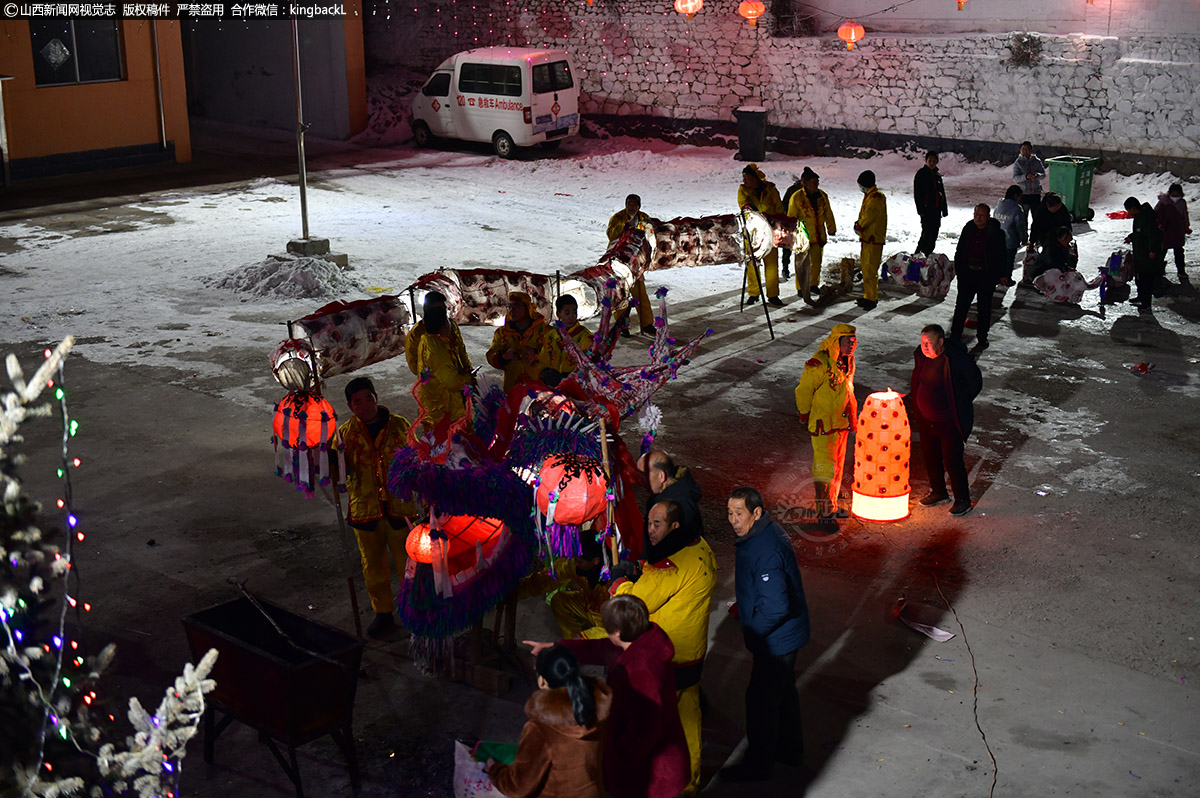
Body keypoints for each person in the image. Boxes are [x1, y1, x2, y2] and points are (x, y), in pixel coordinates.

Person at [552, 500, 716, 795]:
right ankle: (690, 783)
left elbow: (639, 601)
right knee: (688, 719)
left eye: (657, 525)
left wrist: (619, 581)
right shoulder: (700, 547)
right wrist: (640, 567)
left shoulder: (673, 566)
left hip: (671, 652)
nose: (650, 531)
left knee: (652, 723)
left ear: (675, 526)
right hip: (693, 650)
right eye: (649, 523)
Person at [526, 596, 691, 798]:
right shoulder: (645, 640)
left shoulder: (639, 672)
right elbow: (602, 648)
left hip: (650, 773)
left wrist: (616, 759)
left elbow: (644, 730)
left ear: (618, 632)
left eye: (607, 628)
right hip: (658, 760)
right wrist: (555, 647)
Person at [722, 487, 809, 783]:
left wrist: (753, 634)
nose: (733, 520)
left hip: (776, 641)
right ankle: (789, 751)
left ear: (756, 513)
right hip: (785, 637)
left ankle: (758, 767)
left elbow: (776, 606)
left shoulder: (765, 550)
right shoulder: (762, 535)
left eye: (739, 514)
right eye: (730, 513)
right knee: (783, 694)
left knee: (761, 702)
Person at [337, 377, 419, 637]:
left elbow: (416, 461)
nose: (365, 405)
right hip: (365, 510)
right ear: (351, 406)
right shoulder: (344, 434)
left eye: (368, 398)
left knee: (410, 565)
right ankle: (383, 612)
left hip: (399, 507)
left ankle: (415, 610)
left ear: (376, 397)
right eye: (357, 401)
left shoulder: (400, 426)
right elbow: (337, 472)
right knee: (373, 567)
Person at [485, 645, 612, 798]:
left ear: (542, 681)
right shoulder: (595, 709)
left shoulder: (541, 729)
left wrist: (494, 769)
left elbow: (518, 787)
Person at [910, 324, 982, 518]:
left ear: (941, 342)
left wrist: (960, 402)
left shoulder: (957, 360)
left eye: (929, 343)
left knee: (952, 460)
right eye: (922, 342)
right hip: (926, 420)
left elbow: (975, 382)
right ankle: (939, 492)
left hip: (949, 422)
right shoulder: (921, 356)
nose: (924, 347)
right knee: (931, 457)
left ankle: (962, 500)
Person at [794, 324, 857, 522]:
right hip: (824, 425)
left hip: (840, 423)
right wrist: (804, 414)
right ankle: (824, 512)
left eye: (854, 341)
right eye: (848, 341)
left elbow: (848, 390)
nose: (852, 345)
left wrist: (853, 418)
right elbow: (803, 391)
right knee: (825, 467)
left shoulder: (849, 361)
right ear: (837, 341)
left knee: (837, 465)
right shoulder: (819, 363)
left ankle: (831, 505)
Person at [405, 291, 473, 430]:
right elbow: (415, 367)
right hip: (435, 395)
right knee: (439, 438)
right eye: (435, 310)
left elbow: (461, 350)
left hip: (457, 389)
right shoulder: (418, 335)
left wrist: (468, 372)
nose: (440, 313)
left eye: (442, 309)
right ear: (425, 310)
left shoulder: (450, 325)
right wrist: (435, 372)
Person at [950, 203, 1008, 353]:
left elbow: (1002, 256)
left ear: (988, 217)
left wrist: (1001, 274)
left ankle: (982, 337)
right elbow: (960, 250)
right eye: (976, 215)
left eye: (981, 215)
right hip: (967, 274)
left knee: (984, 308)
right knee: (961, 306)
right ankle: (955, 335)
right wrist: (960, 270)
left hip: (985, 275)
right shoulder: (969, 229)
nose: (978, 218)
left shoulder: (996, 233)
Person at [641, 450, 704, 563]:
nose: (639, 480)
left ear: (661, 476)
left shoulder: (670, 506)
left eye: (643, 474)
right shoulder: (681, 493)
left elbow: (661, 552)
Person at [607, 194, 656, 335]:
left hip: (636, 261)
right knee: (621, 292)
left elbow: (650, 235)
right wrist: (624, 227)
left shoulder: (644, 218)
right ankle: (622, 325)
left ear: (639, 207)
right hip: (620, 260)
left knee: (640, 293)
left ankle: (647, 324)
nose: (631, 207)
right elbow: (610, 234)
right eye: (629, 204)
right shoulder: (617, 218)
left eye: (634, 205)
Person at [738, 163, 785, 307]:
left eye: (747, 177)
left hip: (770, 232)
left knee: (771, 266)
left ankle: (773, 294)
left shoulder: (771, 190)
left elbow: (779, 208)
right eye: (743, 177)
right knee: (753, 264)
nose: (745, 180)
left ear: (755, 178)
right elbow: (743, 207)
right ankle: (754, 293)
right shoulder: (743, 191)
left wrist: (778, 222)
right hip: (753, 234)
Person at [786, 167, 837, 299]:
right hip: (802, 235)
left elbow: (828, 213)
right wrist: (791, 235)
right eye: (814, 182)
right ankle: (801, 287)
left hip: (818, 234)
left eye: (817, 182)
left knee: (816, 261)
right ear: (805, 183)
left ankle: (813, 284)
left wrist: (831, 228)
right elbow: (791, 218)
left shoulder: (822, 196)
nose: (817, 185)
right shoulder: (796, 197)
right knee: (802, 263)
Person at [486, 291, 551, 391]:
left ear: (528, 308)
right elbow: (491, 356)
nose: (512, 310)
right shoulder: (502, 333)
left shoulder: (545, 331)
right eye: (509, 307)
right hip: (512, 390)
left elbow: (556, 355)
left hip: (540, 389)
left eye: (517, 306)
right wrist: (505, 355)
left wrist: (536, 354)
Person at [540, 294, 594, 387]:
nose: (572, 317)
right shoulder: (551, 335)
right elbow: (543, 359)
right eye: (567, 313)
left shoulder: (584, 336)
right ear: (558, 314)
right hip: (553, 380)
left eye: (574, 312)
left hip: (575, 381)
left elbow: (590, 360)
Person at [853, 170, 887, 310]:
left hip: (873, 239)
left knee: (870, 270)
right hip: (868, 238)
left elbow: (868, 216)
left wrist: (859, 225)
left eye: (860, 184)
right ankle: (868, 296)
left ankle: (871, 299)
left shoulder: (875, 197)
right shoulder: (870, 195)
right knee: (866, 269)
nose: (859, 187)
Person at [1123, 196, 1163, 310]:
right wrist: (1131, 237)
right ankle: (1141, 297)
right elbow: (1138, 233)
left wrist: (1153, 250)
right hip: (1140, 253)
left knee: (1147, 279)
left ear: (1133, 208)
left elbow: (1153, 236)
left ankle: (1146, 303)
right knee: (1140, 277)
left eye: (1129, 210)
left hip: (1147, 254)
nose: (1129, 213)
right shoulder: (1138, 217)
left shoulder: (1147, 218)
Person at [913, 151, 949, 256]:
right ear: (926, 161)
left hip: (936, 210)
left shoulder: (937, 175)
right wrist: (921, 210)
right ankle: (918, 256)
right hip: (927, 210)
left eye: (934, 161)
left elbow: (941, 193)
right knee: (926, 234)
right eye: (930, 161)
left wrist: (944, 209)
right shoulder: (921, 174)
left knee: (934, 234)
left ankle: (928, 255)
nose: (932, 163)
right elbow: (917, 194)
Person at [993, 185, 1027, 286]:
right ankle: (1007, 279)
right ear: (1016, 196)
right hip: (1010, 240)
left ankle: (998, 277)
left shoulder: (999, 205)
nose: (1021, 199)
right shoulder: (1016, 209)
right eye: (1020, 196)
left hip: (997, 239)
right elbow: (1020, 226)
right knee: (1009, 261)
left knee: (999, 259)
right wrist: (1023, 238)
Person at [1155, 183, 1190, 277]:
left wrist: (1186, 226)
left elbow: (1184, 215)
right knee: (1162, 251)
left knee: (1179, 252)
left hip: (1178, 230)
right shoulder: (1163, 202)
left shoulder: (1182, 203)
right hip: (1166, 230)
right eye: (1173, 194)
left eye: (1177, 194)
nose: (1175, 196)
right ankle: (1158, 270)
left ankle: (1181, 271)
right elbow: (1156, 214)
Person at [1011, 140, 1045, 226]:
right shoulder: (1018, 163)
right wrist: (1025, 177)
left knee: (1037, 217)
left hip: (1035, 193)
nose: (1025, 151)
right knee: (1023, 218)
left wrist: (1037, 175)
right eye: (1023, 149)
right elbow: (1015, 178)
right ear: (1020, 150)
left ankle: (1035, 237)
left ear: (1031, 150)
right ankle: (1024, 236)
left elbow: (1043, 174)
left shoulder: (1037, 161)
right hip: (1023, 194)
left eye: (1027, 149)